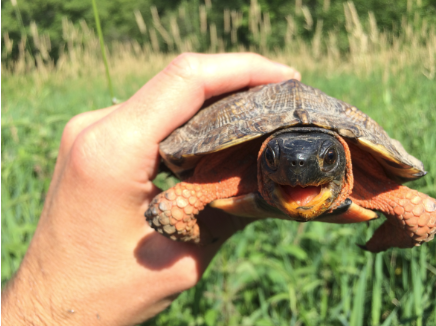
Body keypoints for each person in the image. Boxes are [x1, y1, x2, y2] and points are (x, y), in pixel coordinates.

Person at [1, 53, 301, 325]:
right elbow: (169, 211)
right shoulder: (226, 172)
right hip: (234, 161)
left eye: (330, 159)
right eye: (274, 158)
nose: (299, 169)